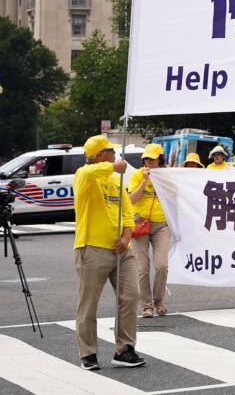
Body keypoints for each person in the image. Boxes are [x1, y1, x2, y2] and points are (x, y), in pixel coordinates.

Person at [74, 134, 143, 370]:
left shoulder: (116, 179)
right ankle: (88, 353)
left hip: (122, 249)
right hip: (93, 247)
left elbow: (127, 210)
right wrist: (112, 166)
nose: (116, 155)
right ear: (100, 155)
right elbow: (89, 171)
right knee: (89, 303)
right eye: (111, 152)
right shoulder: (85, 176)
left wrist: (126, 235)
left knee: (131, 296)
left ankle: (125, 350)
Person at [128, 143, 171, 319]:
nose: (148, 162)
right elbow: (131, 198)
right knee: (142, 268)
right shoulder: (137, 175)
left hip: (161, 224)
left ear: (160, 159)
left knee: (162, 265)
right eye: (145, 158)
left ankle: (158, 300)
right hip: (140, 224)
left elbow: (176, 196)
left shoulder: (167, 176)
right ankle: (146, 305)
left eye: (151, 159)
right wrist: (145, 181)